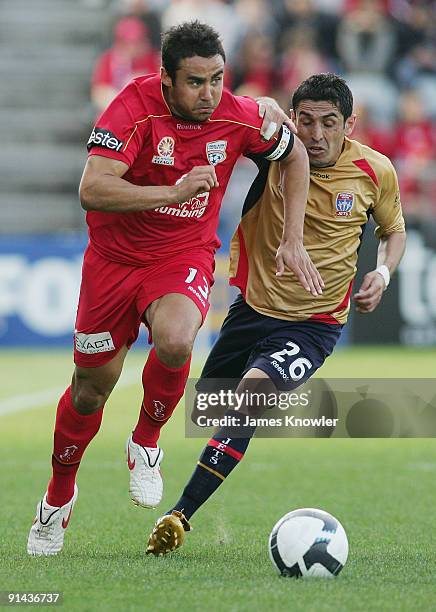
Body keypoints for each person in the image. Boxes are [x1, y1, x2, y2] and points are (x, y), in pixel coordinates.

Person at [27, 20, 323, 556]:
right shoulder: (134, 106)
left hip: (181, 257)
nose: (208, 94)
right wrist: (173, 190)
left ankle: (146, 442)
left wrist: (293, 239)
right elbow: (91, 189)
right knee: (91, 390)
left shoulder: (239, 115)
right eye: (195, 82)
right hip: (113, 263)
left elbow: (295, 154)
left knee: (178, 340)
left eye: (217, 79)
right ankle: (57, 498)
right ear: (165, 79)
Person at [146, 73, 407, 556]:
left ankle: (179, 515)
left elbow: (394, 230)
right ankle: (151, 450)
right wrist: (262, 102)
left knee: (251, 396)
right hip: (251, 310)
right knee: (208, 407)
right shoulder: (277, 152)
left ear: (350, 123)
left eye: (330, 123)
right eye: (305, 121)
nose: (316, 134)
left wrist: (383, 273)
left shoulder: (376, 171)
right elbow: (241, 114)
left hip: (315, 324)